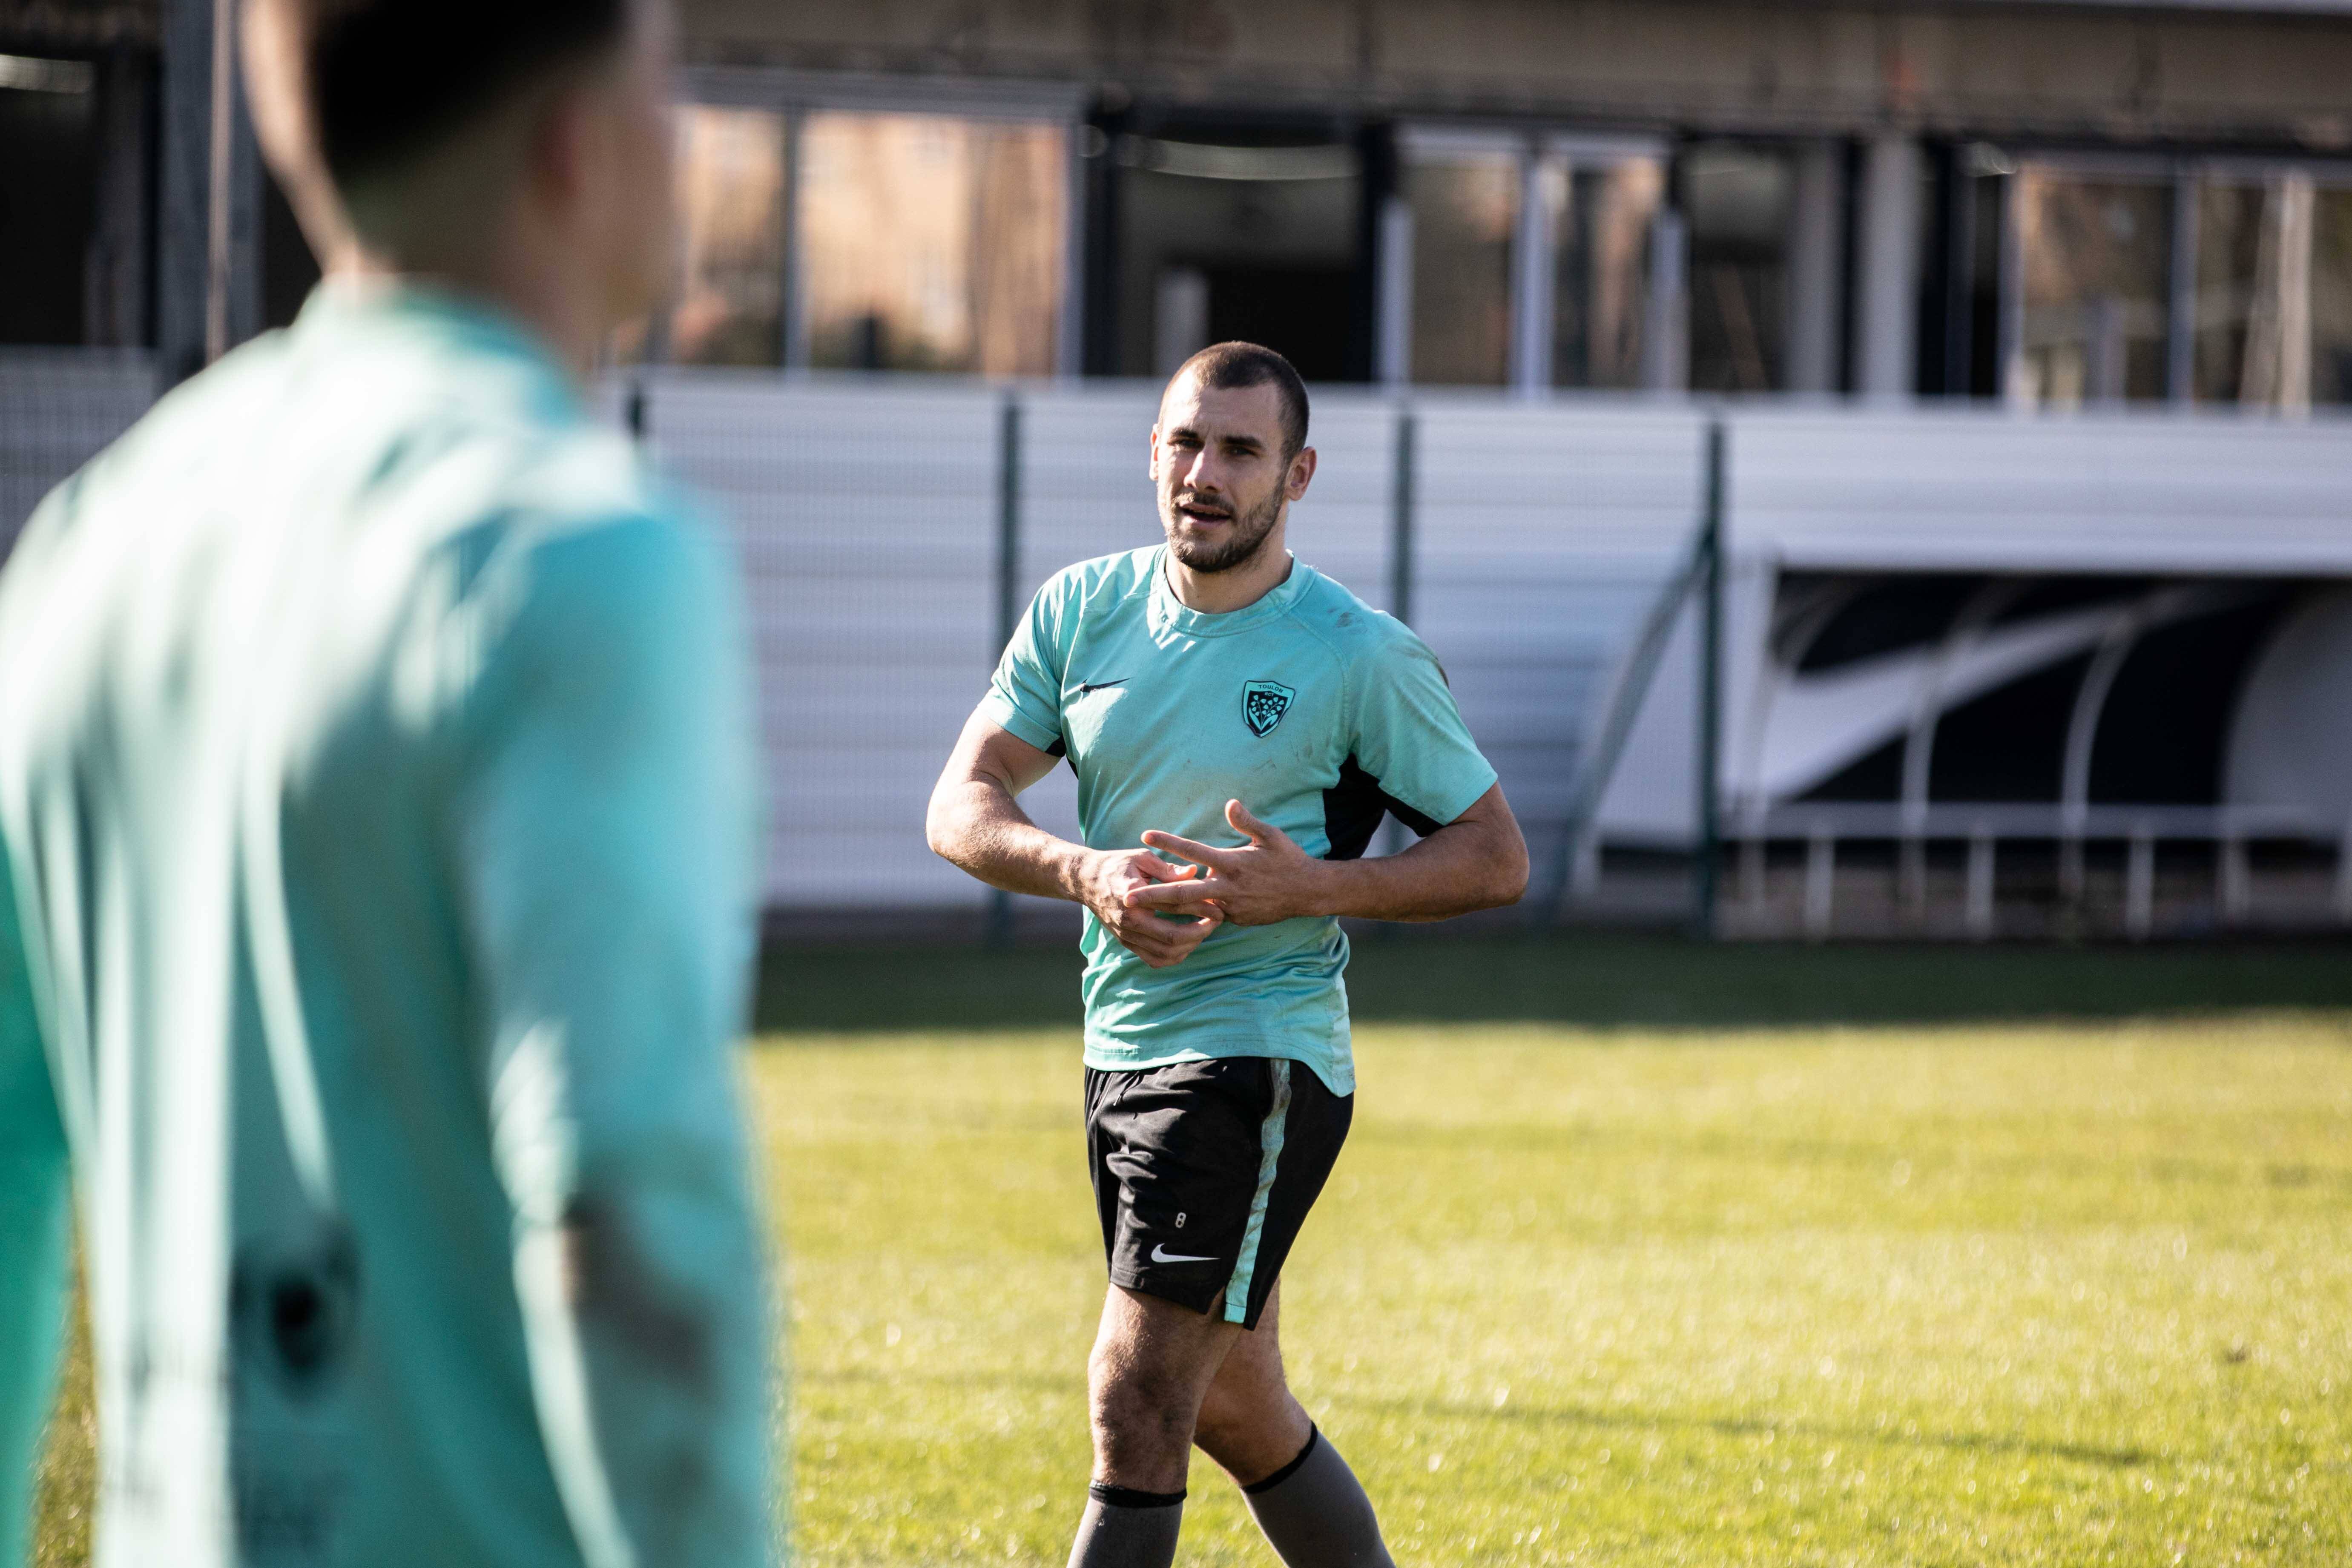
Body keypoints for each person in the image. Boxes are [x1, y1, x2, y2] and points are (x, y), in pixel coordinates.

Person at [0, 3, 777, 1565]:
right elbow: (627, 1208)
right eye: (668, 80)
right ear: (574, 142)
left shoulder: (88, 550)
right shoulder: (580, 559)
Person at [926, 342, 1530, 1568]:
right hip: (1119, 1049)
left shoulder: (1359, 653)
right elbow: (961, 801)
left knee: (1133, 1391)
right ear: (1151, 451)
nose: (1205, 473)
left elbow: (1494, 855)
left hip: (1255, 1060)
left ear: (1295, 475)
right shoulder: (1082, 608)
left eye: (1241, 451)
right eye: (1186, 443)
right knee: (1233, 1402)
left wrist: (1313, 887)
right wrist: (1079, 870)